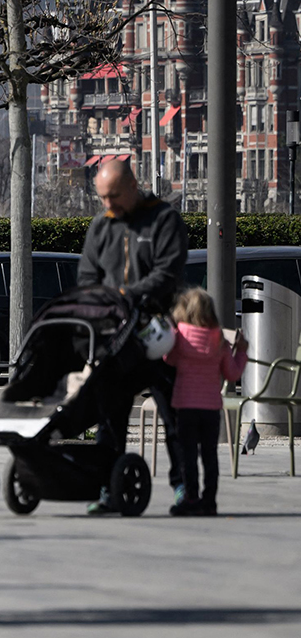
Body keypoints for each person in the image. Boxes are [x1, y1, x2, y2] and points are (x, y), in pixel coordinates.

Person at [76, 158, 188, 514]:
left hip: (158, 334)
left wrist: (126, 296)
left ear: (132, 186)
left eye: (114, 196)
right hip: (115, 339)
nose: (109, 205)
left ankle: (185, 488)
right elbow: (87, 277)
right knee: (109, 419)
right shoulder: (101, 226)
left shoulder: (164, 220)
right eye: (102, 198)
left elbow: (167, 273)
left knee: (174, 417)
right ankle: (110, 491)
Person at [162, 287, 246, 516]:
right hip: (211, 408)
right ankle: (210, 501)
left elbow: (168, 359)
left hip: (185, 406)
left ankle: (191, 498)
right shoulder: (219, 338)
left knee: (188, 455)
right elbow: (232, 373)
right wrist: (242, 353)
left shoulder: (179, 336)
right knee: (210, 455)